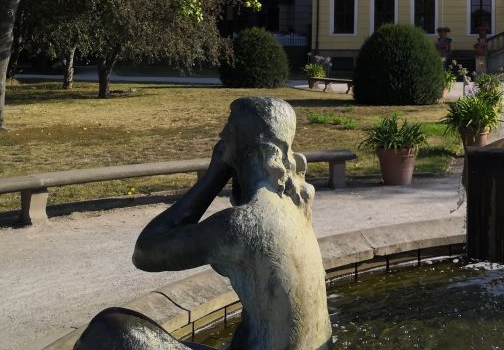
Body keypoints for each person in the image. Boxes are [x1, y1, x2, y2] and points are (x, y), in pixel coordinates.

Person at [75, 97, 332, 350]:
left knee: (107, 330)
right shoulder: (297, 208)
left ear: (248, 147)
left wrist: (214, 175)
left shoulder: (241, 226)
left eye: (229, 130)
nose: (221, 135)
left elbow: (144, 252)